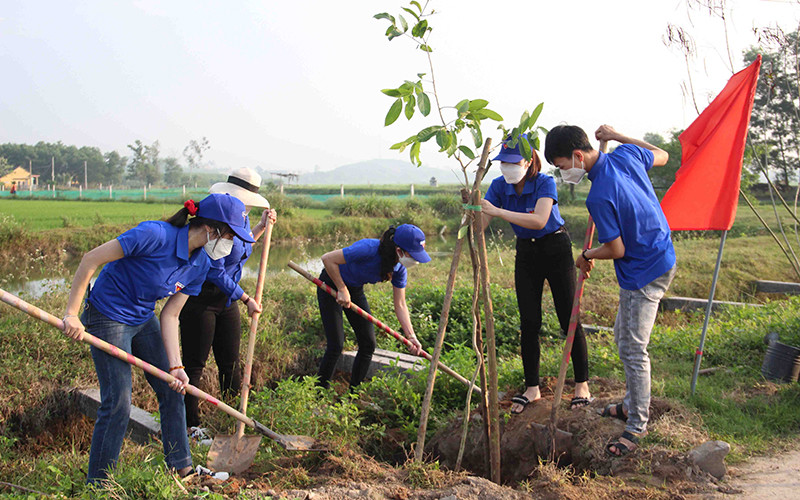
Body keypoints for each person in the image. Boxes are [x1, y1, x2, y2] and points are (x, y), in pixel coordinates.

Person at [61, 193, 260, 483]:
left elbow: (170, 315)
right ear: (211, 230)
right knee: (118, 401)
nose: (231, 244)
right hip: (108, 314)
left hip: (143, 318)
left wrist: (176, 368)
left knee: (172, 388)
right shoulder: (154, 235)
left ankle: (183, 468)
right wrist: (71, 313)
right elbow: (91, 259)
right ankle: (100, 483)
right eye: (230, 235)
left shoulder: (201, 263)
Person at [544, 124, 677, 457]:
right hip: (662, 255)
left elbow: (615, 249)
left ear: (577, 156)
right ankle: (631, 403)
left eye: (562, 166)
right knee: (622, 334)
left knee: (633, 349)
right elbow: (662, 155)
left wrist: (586, 254)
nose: (563, 174)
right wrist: (620, 137)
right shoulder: (626, 154)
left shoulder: (599, 195)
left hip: (641, 271)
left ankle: (636, 425)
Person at [480, 134, 592, 415]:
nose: (507, 168)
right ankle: (532, 388)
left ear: (529, 161)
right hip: (526, 253)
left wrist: (499, 212)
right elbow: (480, 223)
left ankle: (581, 385)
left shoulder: (544, 182)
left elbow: (540, 219)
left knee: (568, 317)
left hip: (555, 247)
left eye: (513, 162)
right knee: (529, 321)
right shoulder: (498, 186)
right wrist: (473, 211)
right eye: (502, 163)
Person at [179, 168, 277, 438]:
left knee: (230, 363)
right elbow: (215, 270)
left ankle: (234, 418)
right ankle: (191, 426)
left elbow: (242, 247)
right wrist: (246, 298)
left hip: (227, 299)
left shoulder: (242, 218)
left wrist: (260, 227)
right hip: (200, 297)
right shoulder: (216, 218)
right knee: (194, 364)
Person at [316, 224, 429, 389]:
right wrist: (341, 288)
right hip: (331, 283)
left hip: (354, 289)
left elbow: (400, 304)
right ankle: (319, 394)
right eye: (414, 255)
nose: (415, 260)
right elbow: (328, 258)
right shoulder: (368, 248)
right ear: (399, 250)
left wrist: (411, 336)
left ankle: (353, 394)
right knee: (336, 345)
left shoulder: (398, 269)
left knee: (368, 344)